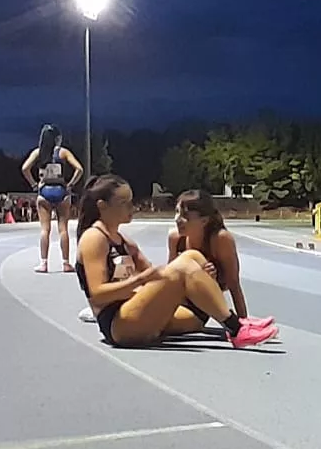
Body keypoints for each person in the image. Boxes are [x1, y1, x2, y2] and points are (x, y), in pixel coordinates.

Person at [75, 175, 277, 349]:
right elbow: (98, 295)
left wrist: (199, 277)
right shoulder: (95, 238)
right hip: (119, 325)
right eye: (124, 203)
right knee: (184, 265)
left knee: (193, 258)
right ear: (102, 206)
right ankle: (237, 329)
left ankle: (239, 321)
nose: (132, 207)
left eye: (131, 200)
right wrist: (141, 280)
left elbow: (159, 276)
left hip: (137, 310)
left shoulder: (123, 241)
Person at [167, 189, 273, 327]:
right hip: (176, 301)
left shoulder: (220, 239)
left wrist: (243, 321)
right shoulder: (175, 238)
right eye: (176, 212)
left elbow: (234, 284)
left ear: (204, 220)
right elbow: (169, 279)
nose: (177, 219)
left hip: (198, 308)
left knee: (162, 324)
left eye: (185, 215)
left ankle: (235, 326)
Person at [22, 124, 84, 273]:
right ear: (57, 138)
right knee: (63, 229)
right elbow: (79, 169)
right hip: (61, 191)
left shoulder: (38, 153)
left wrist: (34, 185)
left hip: (44, 191)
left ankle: (43, 263)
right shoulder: (63, 153)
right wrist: (70, 185)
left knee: (45, 229)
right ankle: (65, 263)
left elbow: (25, 168)